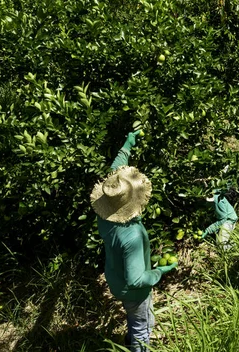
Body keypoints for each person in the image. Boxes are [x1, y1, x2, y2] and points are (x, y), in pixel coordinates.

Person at [90, 131, 177, 352]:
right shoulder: (133, 235)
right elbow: (137, 279)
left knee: (136, 320)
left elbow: (116, 171)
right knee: (142, 328)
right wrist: (161, 272)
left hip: (115, 279)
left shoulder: (105, 210)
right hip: (133, 291)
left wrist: (127, 144)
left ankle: (129, 342)